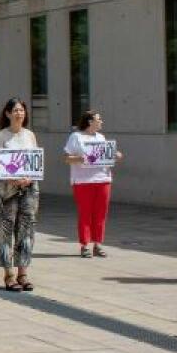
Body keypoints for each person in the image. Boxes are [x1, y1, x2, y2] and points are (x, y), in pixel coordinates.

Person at [0, 98, 39, 292]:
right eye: (15, 110)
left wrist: (29, 177)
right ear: (8, 114)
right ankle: (9, 275)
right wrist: (12, 177)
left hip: (29, 188)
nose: (19, 113)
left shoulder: (30, 135)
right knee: (5, 230)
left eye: (22, 110)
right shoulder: (1, 136)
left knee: (26, 230)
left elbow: (36, 161)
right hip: (7, 188)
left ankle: (23, 273)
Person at [64, 110, 123, 258]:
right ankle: (85, 245)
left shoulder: (101, 137)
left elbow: (105, 156)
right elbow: (67, 158)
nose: (101, 121)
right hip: (83, 181)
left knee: (100, 213)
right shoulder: (76, 137)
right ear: (90, 121)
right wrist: (82, 158)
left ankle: (98, 244)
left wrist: (115, 155)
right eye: (99, 119)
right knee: (85, 213)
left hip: (103, 179)